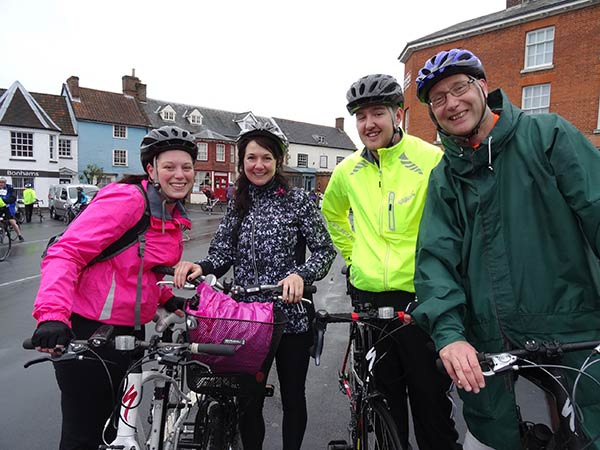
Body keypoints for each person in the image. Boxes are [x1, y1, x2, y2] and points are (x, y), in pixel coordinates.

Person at [412, 48, 600, 450]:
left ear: (482, 86)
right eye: (438, 99)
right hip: (487, 339)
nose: (451, 103)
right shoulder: (444, 178)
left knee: (590, 430)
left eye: (458, 88)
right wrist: (449, 336)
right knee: (487, 439)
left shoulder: (548, 136)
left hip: (573, 327)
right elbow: (436, 262)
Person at [29, 125, 199, 450]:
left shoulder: (168, 214)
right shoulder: (128, 200)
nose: (179, 174)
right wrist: (52, 317)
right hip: (88, 332)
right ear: (151, 169)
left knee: (115, 433)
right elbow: (65, 252)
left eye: (186, 167)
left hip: (128, 336)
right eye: (169, 167)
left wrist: (165, 298)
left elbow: (135, 270)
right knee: (83, 436)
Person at [321, 74, 461, 450]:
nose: (369, 124)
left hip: (420, 298)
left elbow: (456, 221)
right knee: (385, 402)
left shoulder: (431, 159)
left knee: (431, 406)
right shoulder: (347, 171)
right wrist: (353, 257)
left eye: (378, 113)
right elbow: (332, 214)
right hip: (367, 299)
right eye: (361, 116)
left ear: (398, 114)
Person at [181, 120, 336, 450]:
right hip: (249, 321)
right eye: (251, 158)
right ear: (242, 162)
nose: (258, 165)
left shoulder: (297, 200)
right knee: (249, 398)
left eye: (266, 157)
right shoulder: (238, 200)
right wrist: (202, 266)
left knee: (294, 395)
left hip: (292, 318)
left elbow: (325, 251)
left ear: (278, 161)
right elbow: (222, 252)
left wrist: (301, 275)